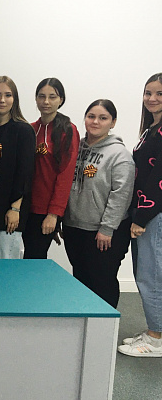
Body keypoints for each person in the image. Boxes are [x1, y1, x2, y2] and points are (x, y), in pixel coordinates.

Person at [62, 99, 134, 308]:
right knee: (81, 278)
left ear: (113, 122)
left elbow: (121, 194)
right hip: (75, 226)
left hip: (103, 232)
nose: (95, 122)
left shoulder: (119, 155)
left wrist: (107, 228)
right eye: (91, 116)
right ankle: (85, 323)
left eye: (103, 118)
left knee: (102, 281)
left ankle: (105, 325)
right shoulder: (75, 148)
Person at [118, 73, 162, 357]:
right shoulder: (151, 130)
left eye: (159, 94)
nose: (152, 98)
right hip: (146, 212)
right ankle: (155, 329)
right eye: (148, 93)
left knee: (152, 274)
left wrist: (141, 217)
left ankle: (156, 339)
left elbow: (158, 179)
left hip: (154, 214)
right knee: (147, 272)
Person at [22, 78, 79, 259]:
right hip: (25, 207)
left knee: (35, 258)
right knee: (24, 258)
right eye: (41, 96)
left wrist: (54, 214)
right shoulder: (30, 129)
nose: (46, 102)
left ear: (61, 100)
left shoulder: (68, 130)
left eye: (52, 97)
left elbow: (65, 175)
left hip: (45, 210)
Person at [0, 76, 35, 259]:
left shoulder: (23, 130)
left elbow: (25, 173)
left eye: (8, 95)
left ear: (15, 99)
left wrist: (15, 209)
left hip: (9, 211)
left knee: (3, 265)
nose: (2, 100)